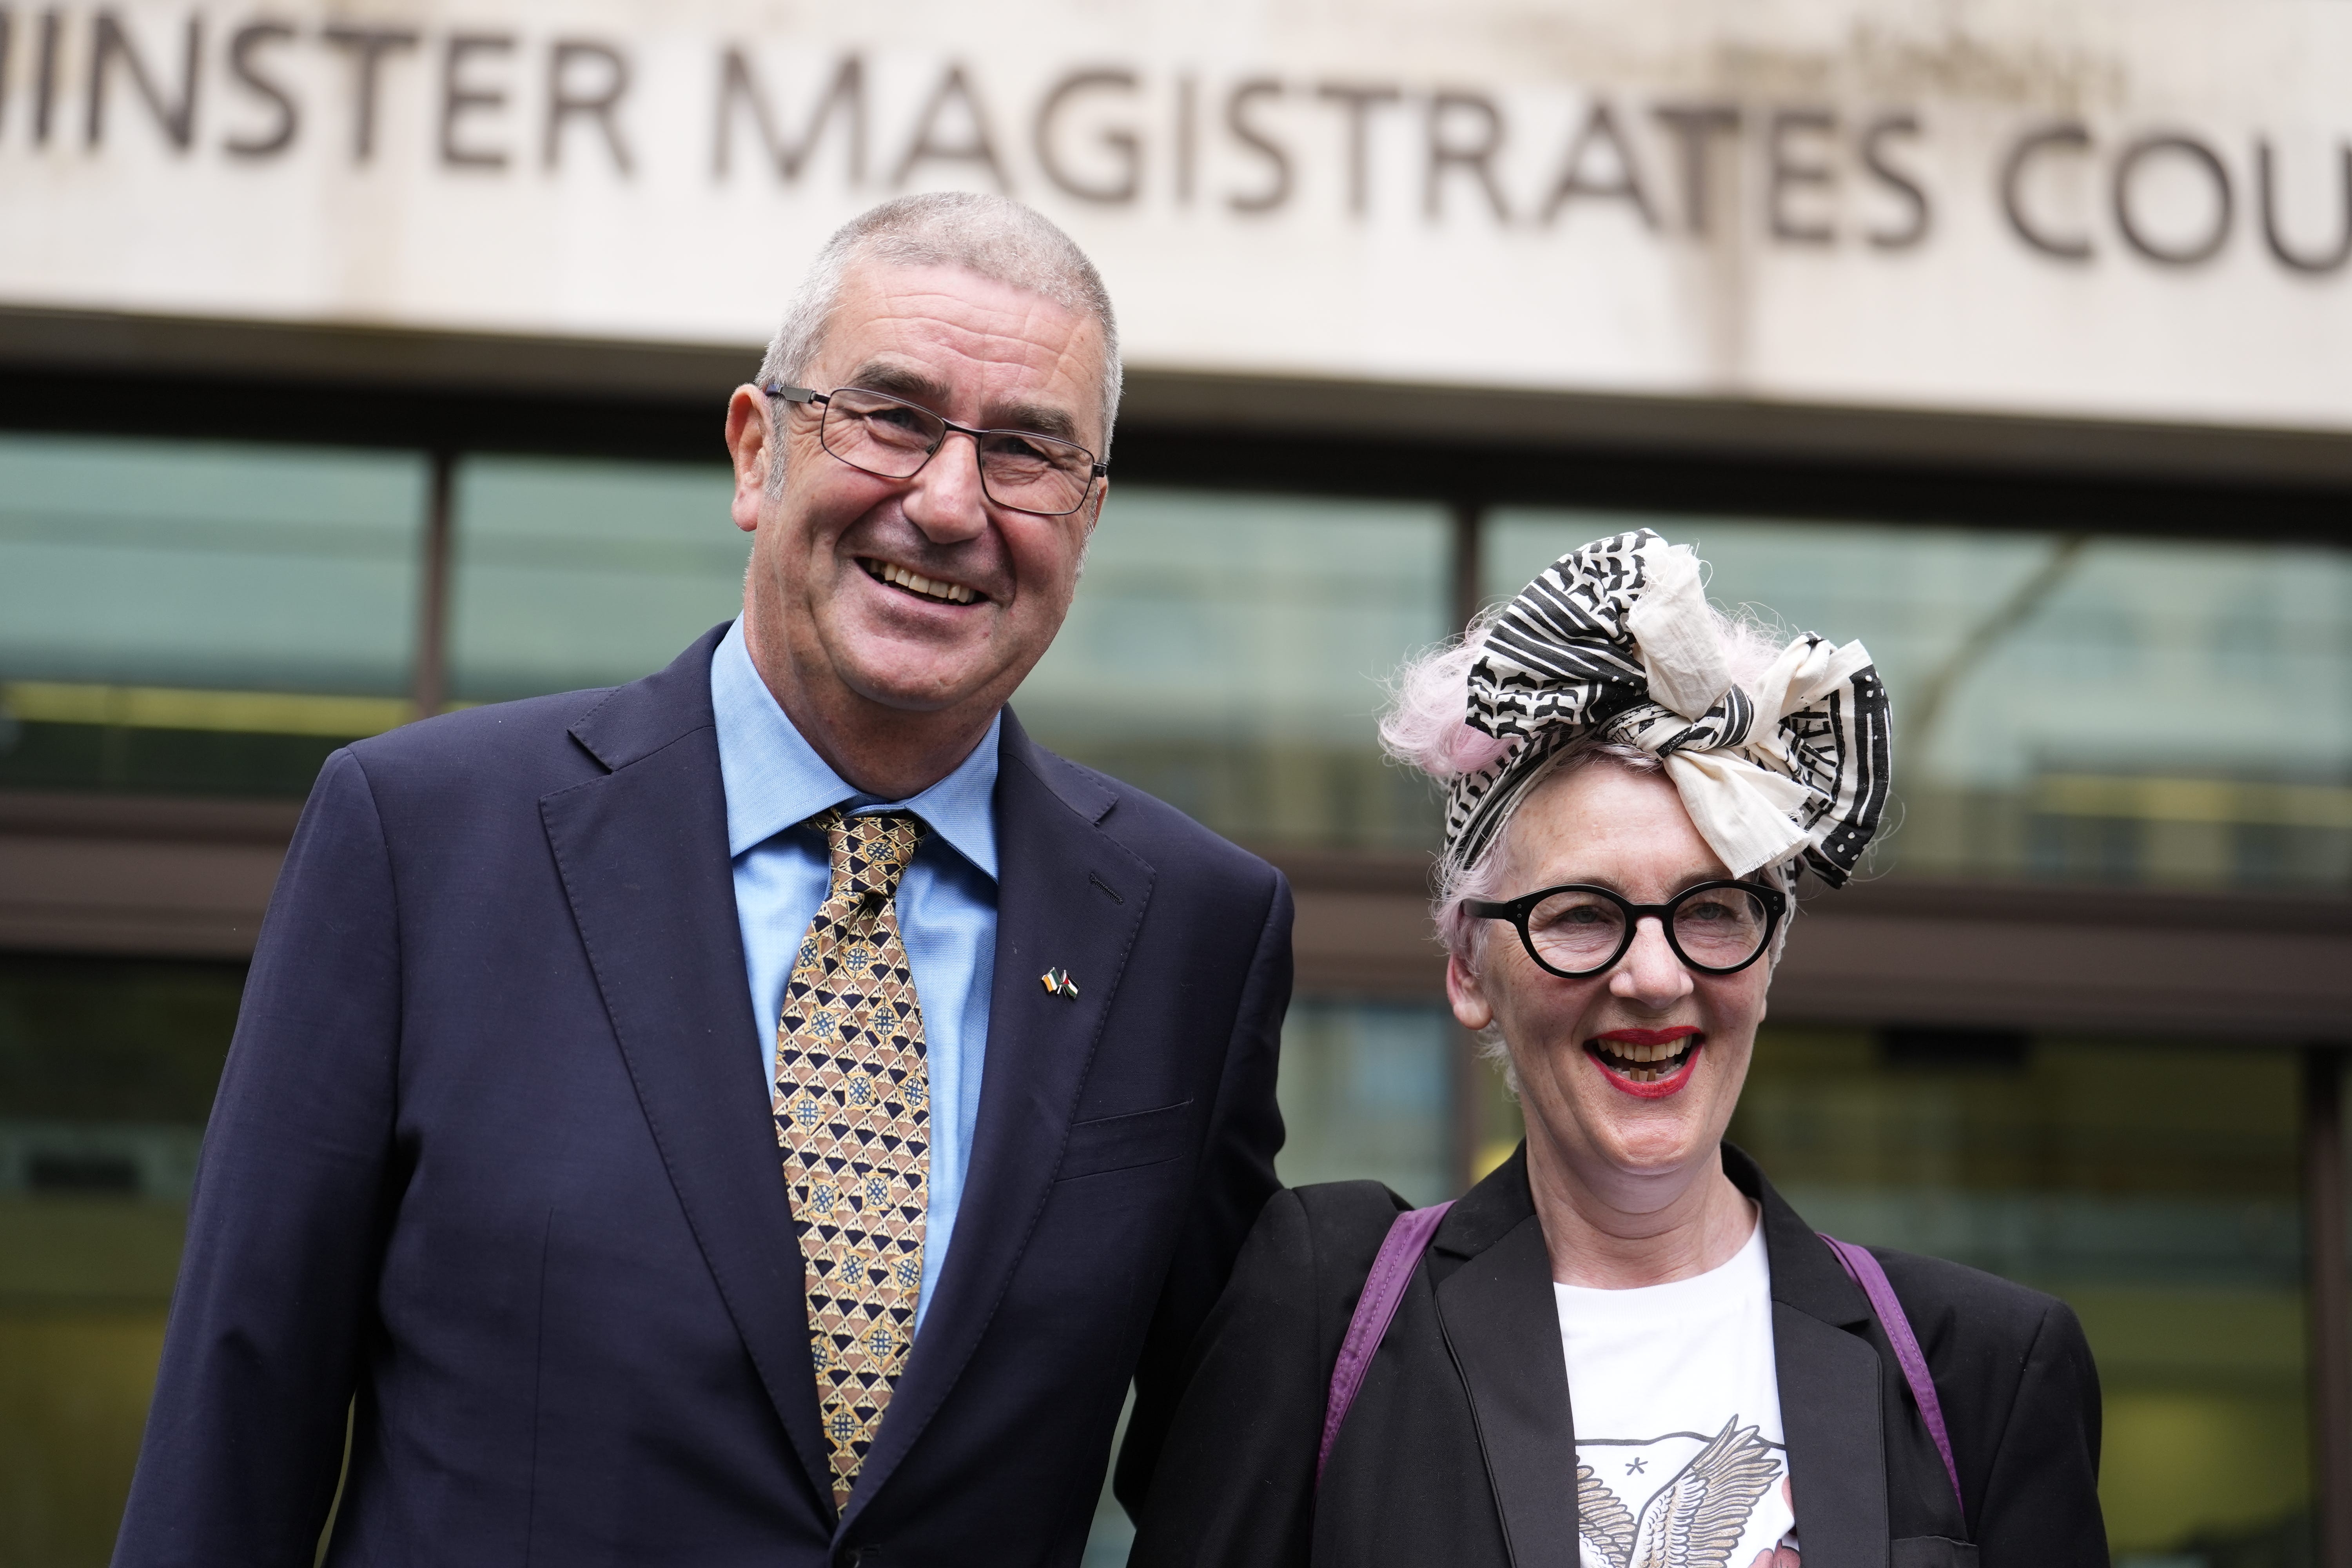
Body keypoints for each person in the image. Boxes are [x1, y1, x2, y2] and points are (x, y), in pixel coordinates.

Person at [113, 194, 1292, 1567]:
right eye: (893, 417)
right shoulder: (421, 841)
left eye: (1028, 451)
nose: (950, 504)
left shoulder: (1193, 932)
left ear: (1086, 521)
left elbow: (1229, 1475)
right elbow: (237, 1427)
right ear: (757, 449)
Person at [1129, 530, 2106, 1568]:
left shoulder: (1983, 1370)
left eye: (1713, 910)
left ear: (1767, 960)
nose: (1653, 979)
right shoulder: (1324, 1312)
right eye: (1583, 914)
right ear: (1470, 970)